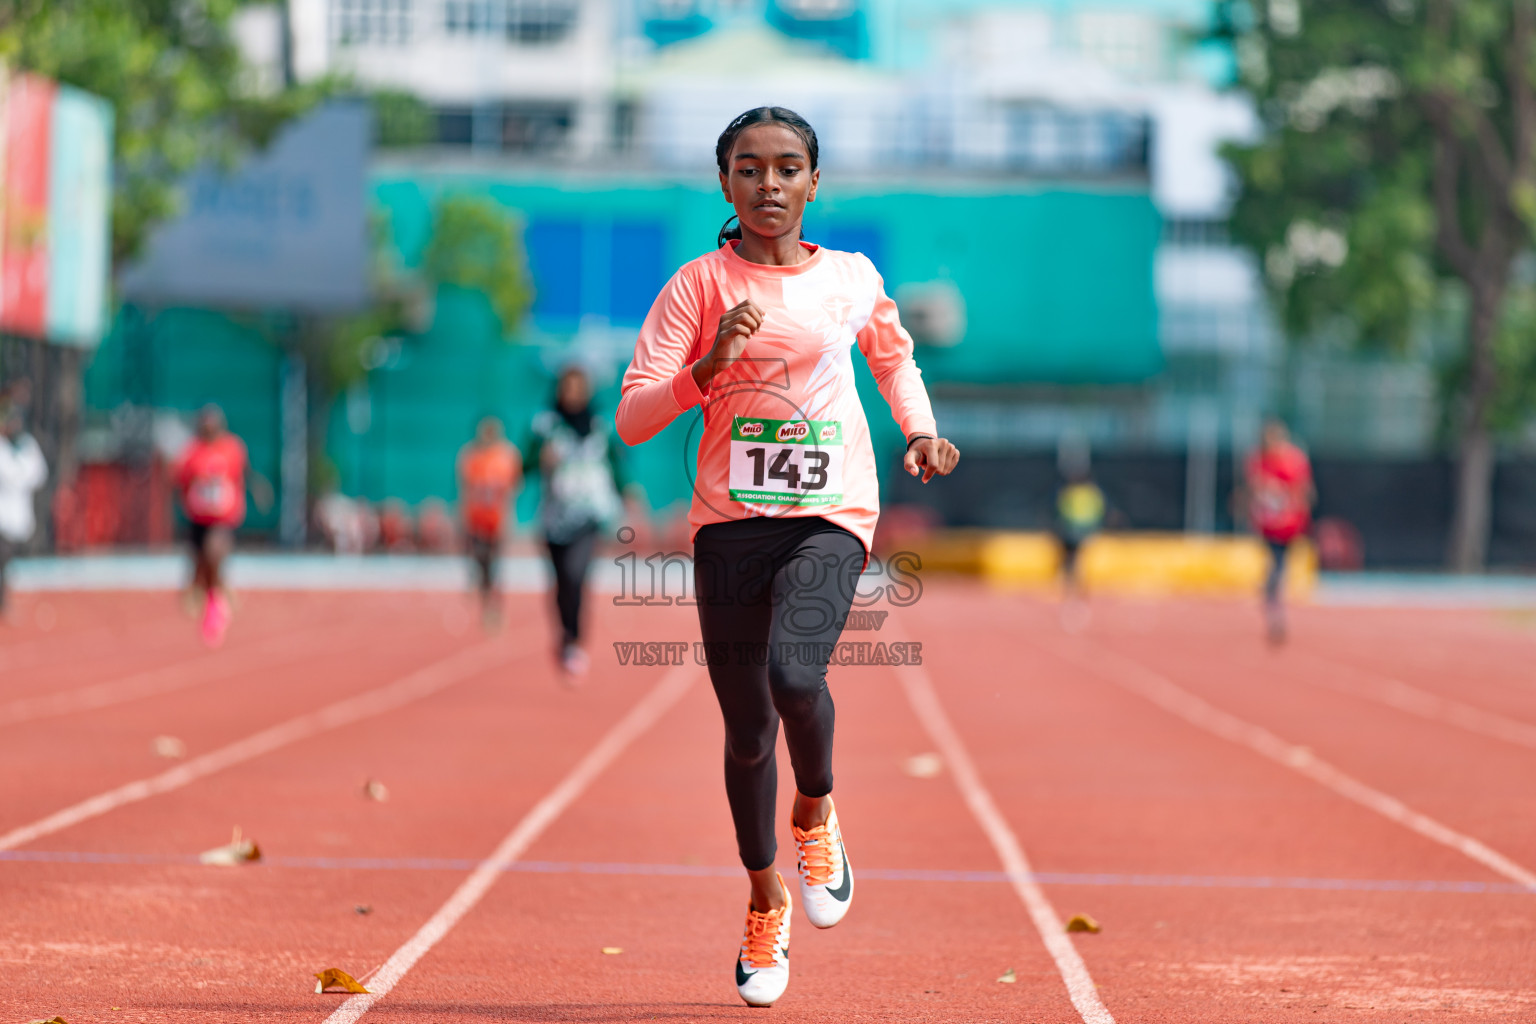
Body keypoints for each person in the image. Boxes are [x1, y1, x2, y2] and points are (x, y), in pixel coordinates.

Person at [615, 107, 959, 1007]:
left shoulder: (851, 278)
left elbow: (894, 361)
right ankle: (765, 894)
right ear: (723, 182)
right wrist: (705, 369)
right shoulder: (696, 287)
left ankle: (817, 808)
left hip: (831, 513)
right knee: (744, 727)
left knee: (794, 678)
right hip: (729, 521)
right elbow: (635, 413)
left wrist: (919, 430)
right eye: (749, 168)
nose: (769, 184)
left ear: (815, 181)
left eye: (788, 167)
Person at [524, 364, 633, 679]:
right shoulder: (544, 425)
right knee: (560, 582)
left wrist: (628, 491)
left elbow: (615, 462)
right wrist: (539, 459)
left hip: (590, 514)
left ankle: (574, 642)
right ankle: (564, 632)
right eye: (567, 388)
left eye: (578, 388)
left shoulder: (600, 425)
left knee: (576, 575)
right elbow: (524, 463)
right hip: (554, 517)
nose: (572, 394)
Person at [173, 405, 270, 647]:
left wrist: (259, 491)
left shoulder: (232, 448)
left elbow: (245, 474)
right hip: (198, 519)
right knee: (200, 569)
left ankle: (217, 603)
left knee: (214, 551)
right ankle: (216, 598)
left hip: (224, 518)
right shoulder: (191, 452)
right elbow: (180, 482)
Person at [1244, 419, 1314, 644]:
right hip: (1269, 524)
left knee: (1279, 565)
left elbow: (1304, 492)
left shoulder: (1294, 461)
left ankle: (1272, 595)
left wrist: (1292, 507)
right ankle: (1273, 598)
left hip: (1289, 524)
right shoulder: (1258, 461)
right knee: (1276, 563)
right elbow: (1254, 490)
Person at [457, 416, 522, 629]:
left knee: (497, 566)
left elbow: (510, 493)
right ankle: (486, 602)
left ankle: (495, 608)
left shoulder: (507, 456)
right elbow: (465, 491)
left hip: (497, 519)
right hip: (477, 519)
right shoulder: (470, 456)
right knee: (481, 564)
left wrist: (508, 521)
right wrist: (463, 521)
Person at [0, 396, 47, 616]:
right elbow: (10, 475)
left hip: (18, 516)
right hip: (3, 516)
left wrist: (20, 474)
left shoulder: (27, 445)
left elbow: (38, 474)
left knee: (7, 562)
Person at [1055, 463, 1106, 627]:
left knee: (1072, 562)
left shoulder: (1070, 493)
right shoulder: (1092, 493)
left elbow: (1062, 510)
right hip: (1084, 532)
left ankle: (1072, 591)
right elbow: (1098, 511)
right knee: (1078, 563)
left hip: (1071, 531)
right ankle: (1078, 592)